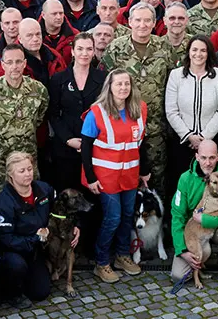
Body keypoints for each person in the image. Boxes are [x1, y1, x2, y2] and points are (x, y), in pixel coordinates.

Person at [101, 3, 177, 196]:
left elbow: (174, 83)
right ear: (129, 22)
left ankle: (159, 221)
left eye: (147, 20)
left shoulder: (164, 47)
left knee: (157, 175)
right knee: (125, 176)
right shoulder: (116, 48)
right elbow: (105, 84)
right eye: (138, 20)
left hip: (155, 125)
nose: (142, 25)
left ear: (154, 23)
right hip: (123, 126)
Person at [82, 69, 149, 283]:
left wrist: (145, 170)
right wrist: (90, 177)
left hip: (130, 174)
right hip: (106, 176)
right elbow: (85, 147)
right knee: (113, 218)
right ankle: (101, 262)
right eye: (118, 84)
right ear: (109, 87)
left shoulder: (139, 109)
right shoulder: (96, 112)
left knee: (127, 216)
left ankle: (122, 256)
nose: (123, 88)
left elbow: (141, 143)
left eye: (126, 84)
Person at [169, 139, 218, 287]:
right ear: (197, 157)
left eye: (212, 157)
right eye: (203, 158)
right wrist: (182, 250)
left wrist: (207, 220)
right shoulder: (185, 179)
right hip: (195, 233)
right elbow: (177, 216)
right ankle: (203, 258)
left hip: (217, 228)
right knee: (178, 277)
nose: (208, 163)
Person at [0, 44, 48, 195]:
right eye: (9, 62)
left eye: (18, 62)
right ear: (3, 65)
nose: (14, 67)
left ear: (24, 63)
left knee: (30, 201)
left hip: (27, 161)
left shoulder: (38, 90)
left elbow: (39, 118)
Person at [0, 151, 59, 309]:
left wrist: (75, 225)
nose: (28, 174)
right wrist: (35, 239)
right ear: (10, 174)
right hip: (14, 251)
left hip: (36, 250)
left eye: (29, 169)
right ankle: (10, 291)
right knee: (16, 265)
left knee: (41, 292)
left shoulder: (43, 189)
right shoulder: (4, 202)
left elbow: (60, 208)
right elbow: (6, 239)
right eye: (21, 171)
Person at [166, 36, 218, 180]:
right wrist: (189, 136)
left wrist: (204, 138)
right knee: (182, 182)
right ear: (188, 52)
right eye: (194, 50)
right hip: (183, 142)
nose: (198, 54)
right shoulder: (176, 75)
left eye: (203, 50)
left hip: (211, 143)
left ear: (209, 53)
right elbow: (171, 111)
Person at [48, 34, 105, 191]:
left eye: (89, 49)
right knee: (66, 194)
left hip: (95, 146)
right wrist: (68, 139)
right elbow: (53, 114)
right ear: (72, 51)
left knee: (93, 196)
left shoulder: (103, 78)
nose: (84, 53)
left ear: (94, 52)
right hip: (65, 147)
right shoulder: (58, 79)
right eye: (80, 49)